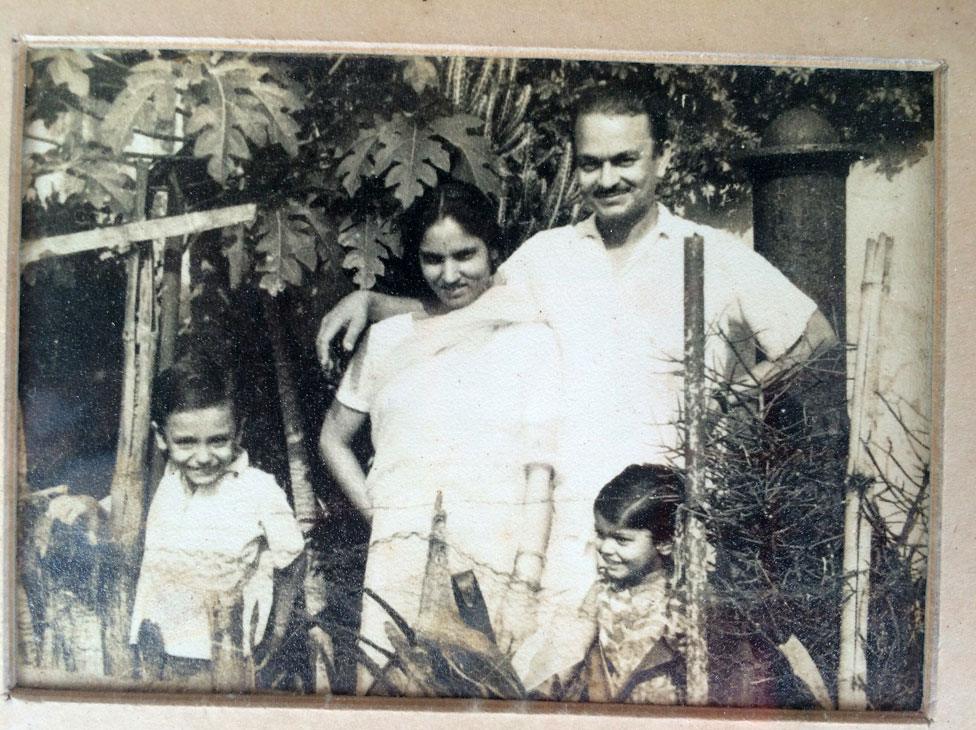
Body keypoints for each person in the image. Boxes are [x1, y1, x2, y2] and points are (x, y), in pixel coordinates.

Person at [316, 81, 838, 687]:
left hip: (666, 529)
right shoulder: (546, 256)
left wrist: (738, 398)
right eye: (591, 163)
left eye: (625, 160)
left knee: (663, 687)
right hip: (566, 533)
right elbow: (460, 303)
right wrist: (374, 301)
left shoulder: (712, 253)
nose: (608, 179)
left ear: (661, 158)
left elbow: (816, 335)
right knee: (557, 687)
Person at [319, 182, 562, 694]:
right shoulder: (386, 339)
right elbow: (332, 439)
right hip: (399, 555)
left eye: (465, 255)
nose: (450, 275)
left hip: (494, 555)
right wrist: (379, 514)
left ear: (493, 248)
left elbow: (540, 468)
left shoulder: (529, 337)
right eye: (433, 259)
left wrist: (526, 580)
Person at [129, 356, 306, 686]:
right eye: (186, 442)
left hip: (222, 660)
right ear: (161, 437)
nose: (203, 456)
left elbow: (293, 559)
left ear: (237, 431)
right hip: (154, 653)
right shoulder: (164, 481)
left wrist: (276, 630)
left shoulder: (257, 489)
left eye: (218, 440)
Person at [529, 464, 687, 704]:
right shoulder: (602, 593)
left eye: (621, 540)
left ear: (665, 542)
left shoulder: (680, 600)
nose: (605, 548)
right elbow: (566, 654)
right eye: (601, 534)